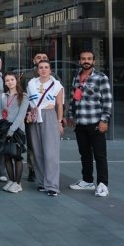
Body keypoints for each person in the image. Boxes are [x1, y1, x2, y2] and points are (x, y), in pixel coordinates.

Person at [66, 50, 113, 198]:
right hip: (80, 123)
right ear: (79, 61)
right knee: (84, 154)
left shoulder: (101, 78)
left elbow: (107, 100)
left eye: (89, 59)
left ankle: (103, 185)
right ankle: (87, 180)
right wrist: (70, 115)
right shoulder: (77, 77)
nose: (86, 61)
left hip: (96, 123)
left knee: (100, 155)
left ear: (94, 61)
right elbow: (74, 98)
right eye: (83, 58)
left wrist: (104, 120)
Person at [27, 60, 64, 197]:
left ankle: (52, 185)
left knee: (51, 153)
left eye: (46, 67)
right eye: (41, 67)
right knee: (37, 152)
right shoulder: (31, 83)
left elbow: (59, 105)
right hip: (35, 116)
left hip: (49, 116)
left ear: (50, 70)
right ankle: (42, 182)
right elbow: (29, 102)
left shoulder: (56, 85)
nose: (43, 70)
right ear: (37, 70)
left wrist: (59, 122)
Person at [0, 72, 30, 193]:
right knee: (7, 156)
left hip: (17, 131)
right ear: (4, 83)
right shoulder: (2, 96)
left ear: (16, 81)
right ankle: (10, 180)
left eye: (12, 80)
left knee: (17, 157)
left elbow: (21, 116)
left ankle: (18, 183)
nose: (10, 82)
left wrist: (11, 130)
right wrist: (2, 127)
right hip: (4, 130)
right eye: (7, 80)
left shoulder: (24, 96)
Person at [20, 51, 50, 182]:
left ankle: (47, 169)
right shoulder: (27, 76)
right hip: (31, 115)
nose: (41, 60)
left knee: (48, 144)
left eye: (44, 58)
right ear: (34, 61)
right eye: (39, 58)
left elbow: (60, 98)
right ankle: (33, 169)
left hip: (49, 115)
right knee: (33, 144)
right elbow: (21, 95)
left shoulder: (54, 77)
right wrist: (26, 113)